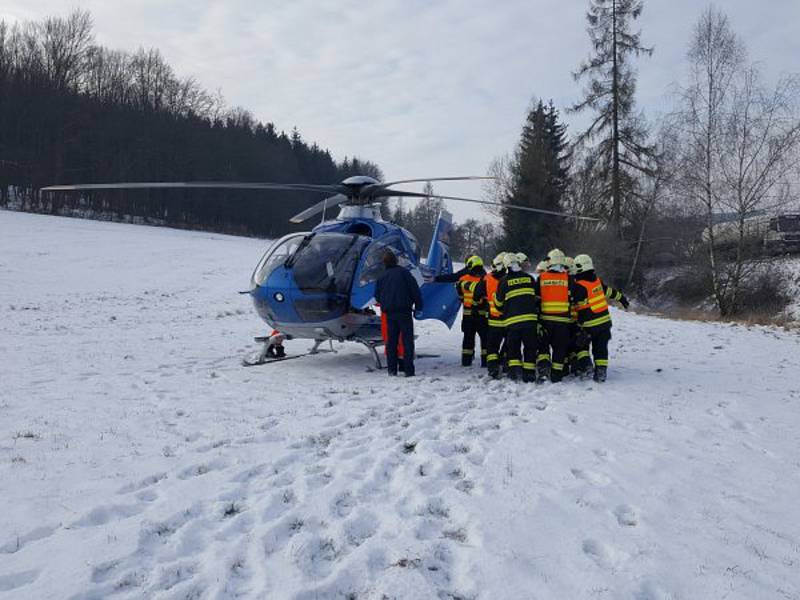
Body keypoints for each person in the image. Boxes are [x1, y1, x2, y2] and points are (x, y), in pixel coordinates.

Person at [570, 253, 630, 382]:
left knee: (581, 347)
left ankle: (586, 367)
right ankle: (601, 372)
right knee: (601, 348)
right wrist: (622, 299)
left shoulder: (578, 286)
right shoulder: (597, 281)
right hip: (604, 324)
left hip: (588, 325)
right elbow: (610, 292)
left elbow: (573, 305)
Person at [375, 250, 423, 377]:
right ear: (396, 261)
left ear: (384, 263)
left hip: (390, 313)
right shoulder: (405, 273)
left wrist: (386, 303)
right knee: (407, 342)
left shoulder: (381, 277)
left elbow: (377, 296)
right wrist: (418, 306)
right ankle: (408, 370)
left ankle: (392, 370)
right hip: (404, 312)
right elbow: (415, 291)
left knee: (391, 342)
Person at [494, 253, 539, 382]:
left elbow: (498, 304)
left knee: (513, 348)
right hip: (530, 321)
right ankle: (529, 373)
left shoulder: (503, 282)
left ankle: (515, 373)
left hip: (513, 323)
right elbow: (536, 298)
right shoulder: (530, 278)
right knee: (530, 347)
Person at [534, 248, 573, 383]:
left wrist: (537, 319)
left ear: (549, 262)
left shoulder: (541, 278)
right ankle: (557, 375)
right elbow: (575, 298)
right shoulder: (569, 279)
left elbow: (536, 300)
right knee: (560, 349)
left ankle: (543, 372)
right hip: (563, 322)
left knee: (543, 348)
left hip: (545, 321)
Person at [472, 253, 507, 378]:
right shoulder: (511, 279)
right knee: (509, 344)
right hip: (510, 319)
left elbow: (476, 296)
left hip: (493, 319)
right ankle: (504, 363)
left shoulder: (487, 278)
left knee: (492, 346)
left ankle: (492, 368)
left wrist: (482, 302)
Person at [455, 256, 488, 366]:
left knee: (468, 338)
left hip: (468, 315)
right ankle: (485, 362)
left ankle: (466, 361)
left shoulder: (462, 279)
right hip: (482, 315)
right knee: (485, 339)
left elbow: (460, 297)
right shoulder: (486, 279)